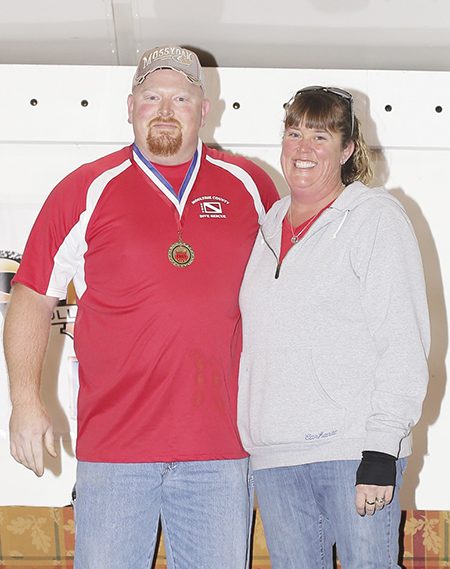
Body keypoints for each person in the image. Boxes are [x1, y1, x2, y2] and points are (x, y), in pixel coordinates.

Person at [3, 45, 279, 569]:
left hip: (221, 452)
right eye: (152, 96)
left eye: (181, 96)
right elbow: (33, 295)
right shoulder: (85, 188)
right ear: (129, 106)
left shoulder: (252, 185)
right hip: (114, 453)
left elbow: (290, 293)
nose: (166, 109)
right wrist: (24, 401)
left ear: (205, 109)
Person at [237, 86, 430, 568]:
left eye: (320, 136)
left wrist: (382, 453)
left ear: (347, 150)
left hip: (352, 453)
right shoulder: (266, 226)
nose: (302, 148)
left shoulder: (374, 219)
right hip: (276, 461)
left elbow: (403, 343)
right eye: (294, 132)